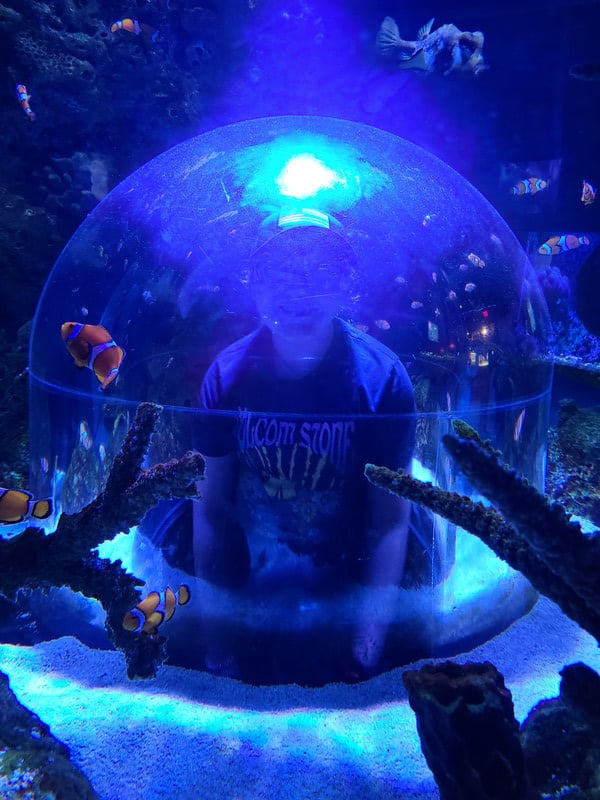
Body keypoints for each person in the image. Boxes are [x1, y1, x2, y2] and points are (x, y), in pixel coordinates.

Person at [193, 210, 416, 681]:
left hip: (346, 582)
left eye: (318, 272)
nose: (299, 290)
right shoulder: (227, 375)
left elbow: (390, 521)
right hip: (251, 584)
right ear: (255, 284)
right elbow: (210, 508)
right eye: (281, 273)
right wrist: (217, 645)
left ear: (345, 283)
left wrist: (367, 647)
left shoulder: (381, 379)